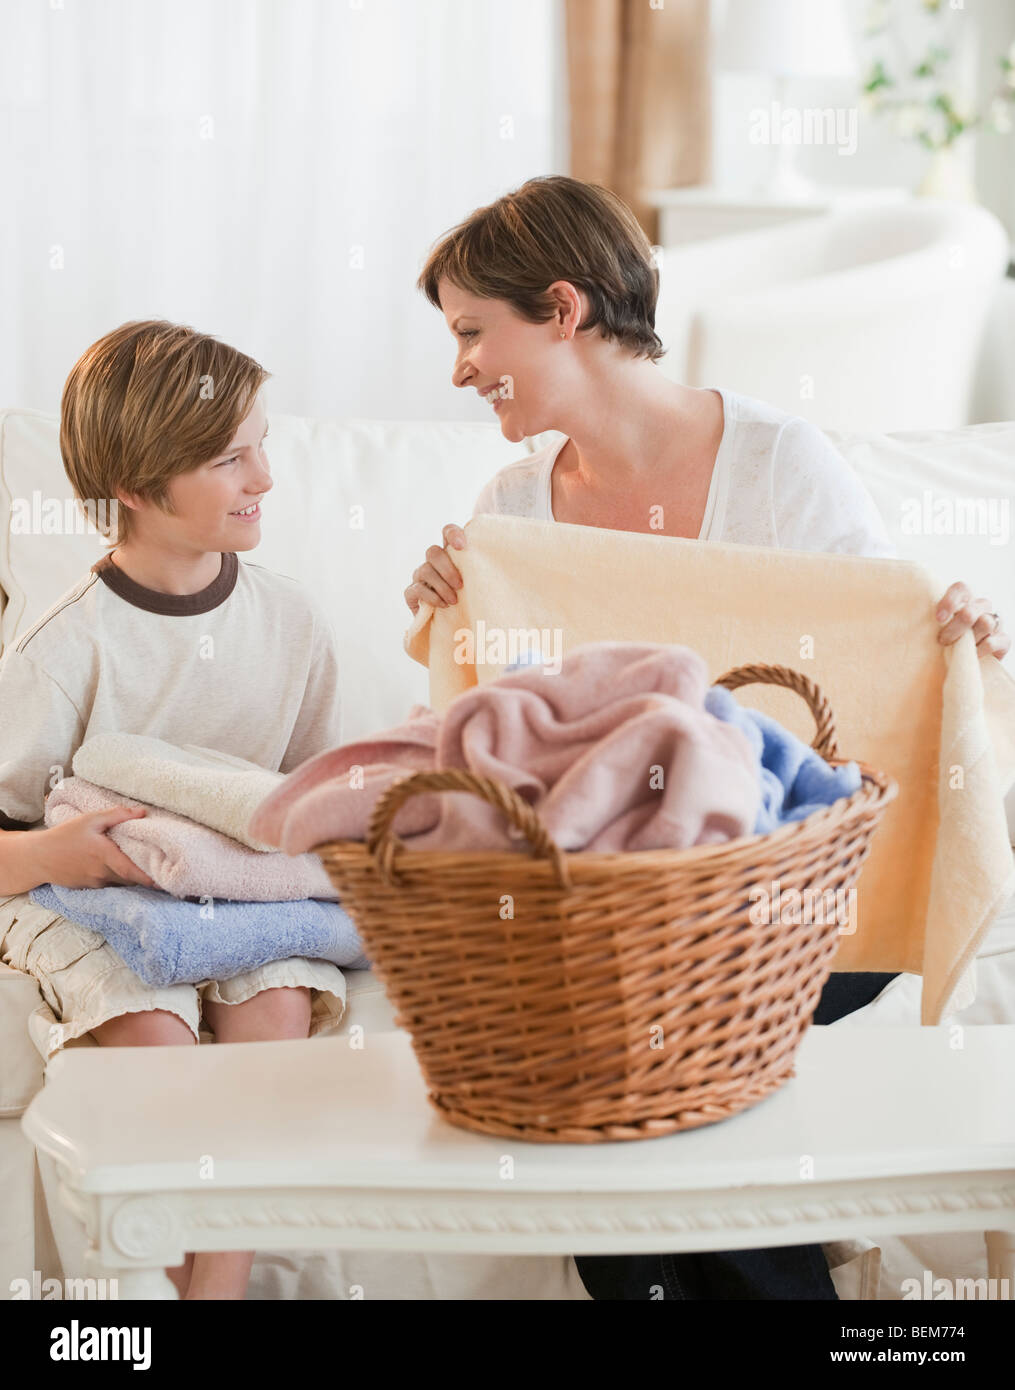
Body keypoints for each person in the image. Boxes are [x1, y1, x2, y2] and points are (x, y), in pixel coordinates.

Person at [405, 174, 1010, 1300]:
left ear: (564, 308)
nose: (458, 370)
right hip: (628, 912)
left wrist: (961, 635)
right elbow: (512, 750)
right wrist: (451, 607)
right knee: (622, 1040)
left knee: (627, 1045)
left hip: (798, 890)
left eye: (472, 332)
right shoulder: (512, 512)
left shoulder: (781, 465)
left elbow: (883, 668)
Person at [0, 321, 347, 1300]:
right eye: (231, 456)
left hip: (241, 897)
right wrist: (66, 853)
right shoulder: (62, 646)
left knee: (275, 1005)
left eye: (262, 443)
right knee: (157, 1041)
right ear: (143, 490)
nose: (265, 476)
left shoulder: (290, 623)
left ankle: (211, 1295)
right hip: (79, 894)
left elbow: (318, 800)